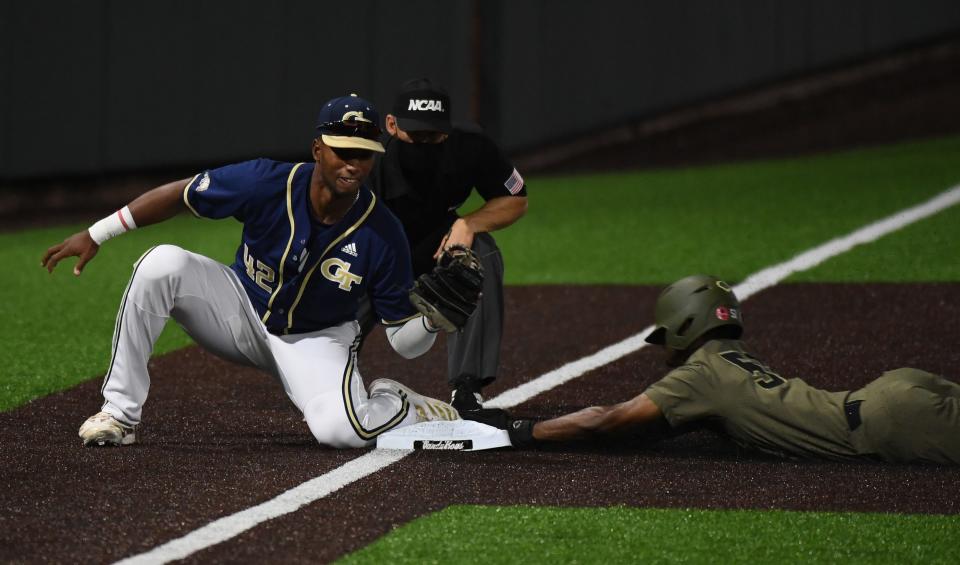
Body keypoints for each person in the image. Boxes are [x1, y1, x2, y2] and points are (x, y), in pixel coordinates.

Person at [42, 94, 461, 449]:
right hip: (238, 308)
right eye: (343, 151)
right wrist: (98, 233)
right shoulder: (265, 181)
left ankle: (396, 401)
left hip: (315, 339)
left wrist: (431, 321)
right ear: (318, 149)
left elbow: (404, 342)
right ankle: (118, 413)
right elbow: (180, 194)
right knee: (160, 264)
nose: (353, 164)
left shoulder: (384, 233)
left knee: (342, 432)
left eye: (365, 154)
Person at [472, 275, 960, 465]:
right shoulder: (734, 361)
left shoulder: (700, 375)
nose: (666, 348)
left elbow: (608, 418)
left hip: (891, 418)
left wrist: (523, 430)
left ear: (686, 324)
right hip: (897, 392)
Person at [364, 78, 528, 413]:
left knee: (481, 252)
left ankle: (468, 387)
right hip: (376, 245)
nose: (424, 143)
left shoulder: (470, 147)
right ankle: (328, 371)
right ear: (391, 125)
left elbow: (515, 200)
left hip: (437, 241)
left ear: (447, 130)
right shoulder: (369, 162)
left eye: (433, 135)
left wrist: (468, 224)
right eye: (416, 135)